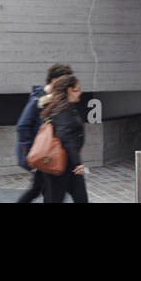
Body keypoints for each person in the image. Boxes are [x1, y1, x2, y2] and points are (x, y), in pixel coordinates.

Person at [15, 62, 73, 203]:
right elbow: (22, 126)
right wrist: (32, 152)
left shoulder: (54, 99)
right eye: (63, 81)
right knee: (49, 190)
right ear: (54, 80)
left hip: (46, 154)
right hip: (40, 154)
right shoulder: (39, 98)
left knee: (39, 189)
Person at [40, 73, 88, 203]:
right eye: (77, 89)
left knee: (81, 199)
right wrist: (78, 163)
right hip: (60, 167)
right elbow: (66, 137)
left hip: (69, 166)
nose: (80, 92)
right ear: (69, 90)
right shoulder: (63, 111)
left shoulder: (67, 108)